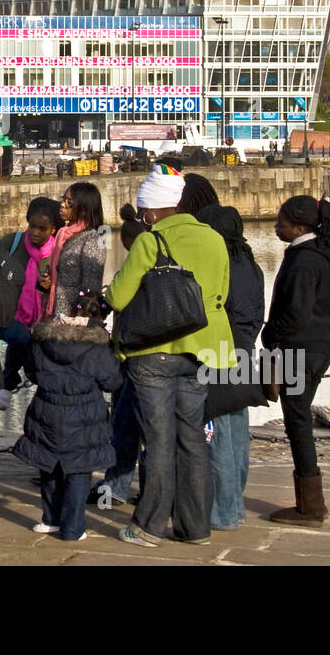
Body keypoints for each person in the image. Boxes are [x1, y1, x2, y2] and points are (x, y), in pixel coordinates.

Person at [106, 164, 235, 547]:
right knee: (192, 438)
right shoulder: (213, 238)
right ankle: (195, 527)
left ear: (151, 210)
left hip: (154, 353)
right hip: (202, 350)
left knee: (158, 440)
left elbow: (118, 296)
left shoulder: (149, 241)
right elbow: (221, 295)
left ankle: (147, 526)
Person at [14, 291, 122, 542]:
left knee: (48, 465)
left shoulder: (44, 341)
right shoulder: (97, 348)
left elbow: (31, 372)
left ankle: (50, 519)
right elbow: (113, 381)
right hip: (85, 417)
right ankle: (73, 528)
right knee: (78, 472)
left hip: (47, 412)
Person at [261, 195, 330, 528]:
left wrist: (270, 337)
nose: (276, 227)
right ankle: (310, 501)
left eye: (280, 222)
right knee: (298, 420)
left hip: (299, 350)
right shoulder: (314, 254)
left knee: (297, 424)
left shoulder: (304, 260)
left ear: (298, 226)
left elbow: (295, 313)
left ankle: (310, 506)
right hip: (315, 348)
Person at [195, 203, 265, 531]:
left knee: (218, 437)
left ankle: (224, 512)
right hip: (245, 356)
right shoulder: (252, 266)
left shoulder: (220, 266)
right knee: (238, 435)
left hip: (220, 356)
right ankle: (234, 504)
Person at [89, 203, 147, 507]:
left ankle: (115, 487)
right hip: (142, 355)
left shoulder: (136, 267)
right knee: (148, 428)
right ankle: (149, 488)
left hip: (132, 356)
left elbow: (115, 298)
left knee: (124, 425)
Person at [0, 196, 64, 407]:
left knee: (34, 348)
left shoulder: (60, 251)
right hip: (9, 313)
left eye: (41, 228)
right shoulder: (12, 243)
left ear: (53, 229)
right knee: (22, 339)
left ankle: (11, 381)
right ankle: (11, 379)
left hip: (45, 318)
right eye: (31, 226)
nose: (34, 232)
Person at [43, 182, 107, 326]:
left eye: (69, 203)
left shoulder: (93, 239)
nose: (62, 205)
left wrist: (80, 320)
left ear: (84, 210)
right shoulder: (63, 234)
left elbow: (92, 288)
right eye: (63, 199)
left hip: (73, 322)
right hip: (55, 316)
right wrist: (45, 282)